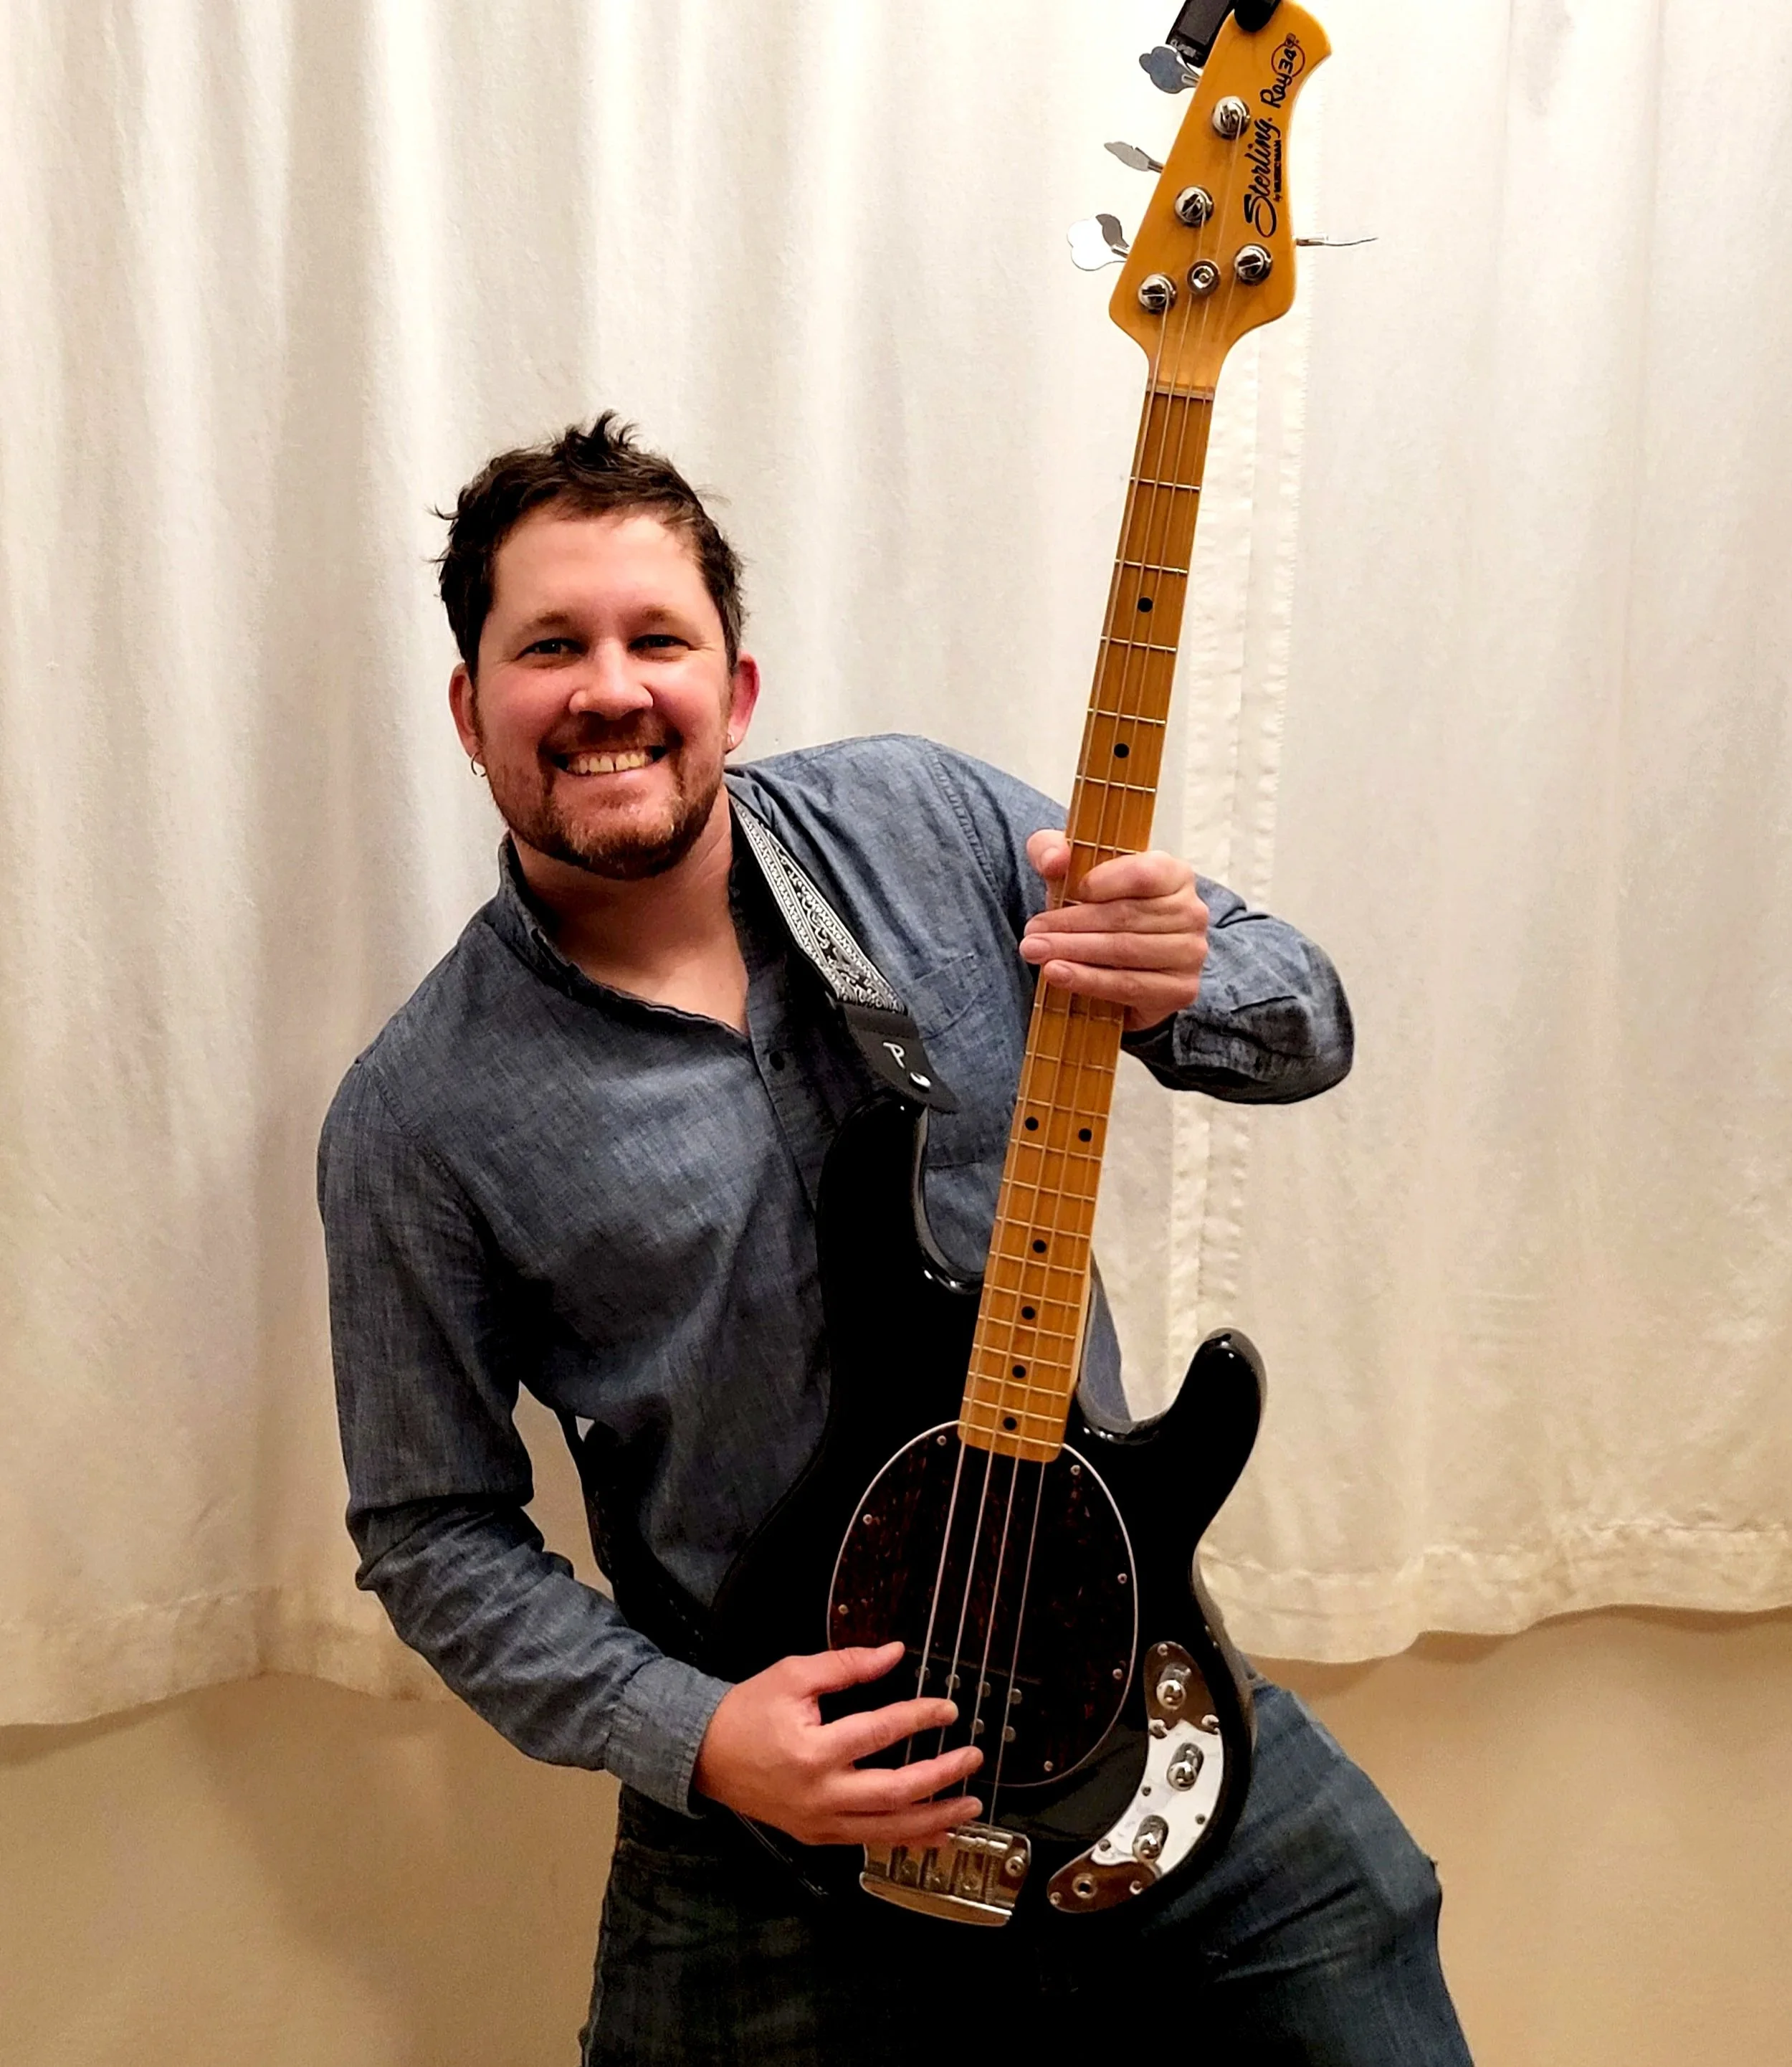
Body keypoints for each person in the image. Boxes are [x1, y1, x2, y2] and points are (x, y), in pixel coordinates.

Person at [318, 414, 1472, 2063]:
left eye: (658, 638)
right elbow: (431, 1531)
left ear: (737, 684)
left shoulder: (927, 823)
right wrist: (703, 1734)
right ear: (467, 704)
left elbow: (1304, 1023)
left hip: (1137, 1696)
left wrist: (1192, 971)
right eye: (548, 646)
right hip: (773, 1823)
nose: (609, 687)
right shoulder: (416, 1113)